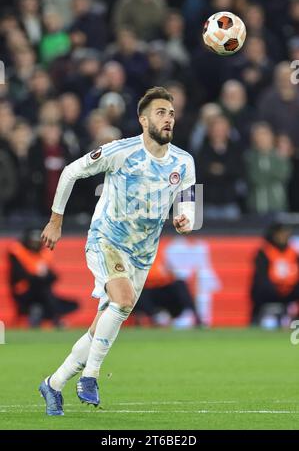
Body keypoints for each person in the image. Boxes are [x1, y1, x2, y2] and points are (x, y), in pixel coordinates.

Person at [38, 86, 196, 415]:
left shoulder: (184, 161)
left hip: (142, 255)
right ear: (143, 120)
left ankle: (53, 383)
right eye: (160, 113)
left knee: (103, 325)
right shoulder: (121, 151)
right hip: (107, 240)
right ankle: (90, 377)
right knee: (123, 302)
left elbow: (192, 209)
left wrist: (185, 221)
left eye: (171, 113)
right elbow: (70, 172)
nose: (168, 119)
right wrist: (56, 221)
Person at [7, 227, 78, 327]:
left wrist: (42, 277)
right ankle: (54, 318)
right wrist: (39, 277)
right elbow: (17, 275)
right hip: (24, 291)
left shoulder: (44, 253)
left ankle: (40, 314)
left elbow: (53, 276)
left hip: (43, 291)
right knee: (44, 291)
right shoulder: (17, 251)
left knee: (70, 303)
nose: (35, 244)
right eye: (33, 241)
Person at [250, 222, 299, 325]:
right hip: (271, 292)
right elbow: (261, 278)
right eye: (281, 234)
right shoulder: (264, 252)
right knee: (259, 288)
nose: (284, 236)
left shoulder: (293, 253)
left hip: (290, 291)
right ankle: (257, 321)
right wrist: (277, 290)